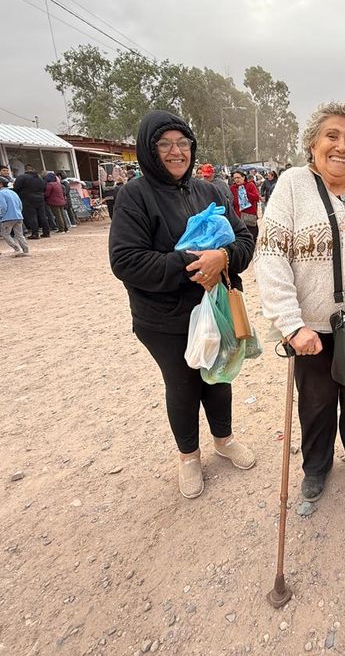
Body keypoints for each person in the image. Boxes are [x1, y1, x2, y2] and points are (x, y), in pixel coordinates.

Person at [109, 111, 257, 500]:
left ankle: (223, 440)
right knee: (183, 385)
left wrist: (222, 259)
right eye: (165, 144)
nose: (177, 152)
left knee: (220, 375)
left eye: (183, 144)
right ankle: (188, 456)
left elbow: (244, 240)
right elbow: (126, 261)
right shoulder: (134, 196)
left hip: (217, 308)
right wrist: (193, 262)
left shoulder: (210, 191)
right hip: (165, 318)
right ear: (149, 150)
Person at [255, 101, 345, 503]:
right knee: (316, 402)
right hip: (311, 324)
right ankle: (316, 465)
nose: (341, 146)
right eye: (332, 136)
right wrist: (290, 323)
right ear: (313, 143)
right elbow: (271, 254)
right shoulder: (293, 185)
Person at [0, 176, 29, 257]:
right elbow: (20, 205)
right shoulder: (13, 192)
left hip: (8, 217)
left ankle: (16, 249)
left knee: (5, 233)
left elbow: (3, 206)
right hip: (18, 216)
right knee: (19, 234)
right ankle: (25, 250)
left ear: (0, 184)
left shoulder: (0, 193)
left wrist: (1, 215)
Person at [14, 164, 51, 239]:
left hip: (27, 199)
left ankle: (35, 233)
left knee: (32, 216)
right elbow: (44, 187)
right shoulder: (39, 177)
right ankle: (46, 232)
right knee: (42, 216)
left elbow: (16, 188)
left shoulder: (22, 177)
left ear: (26, 169)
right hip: (40, 198)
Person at [230, 170, 260, 241]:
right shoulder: (233, 188)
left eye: (238, 177)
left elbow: (256, 197)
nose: (237, 180)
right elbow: (231, 202)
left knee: (252, 237)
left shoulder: (250, 185)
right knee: (242, 238)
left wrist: (245, 193)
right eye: (235, 178)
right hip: (238, 217)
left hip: (249, 216)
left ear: (243, 177)